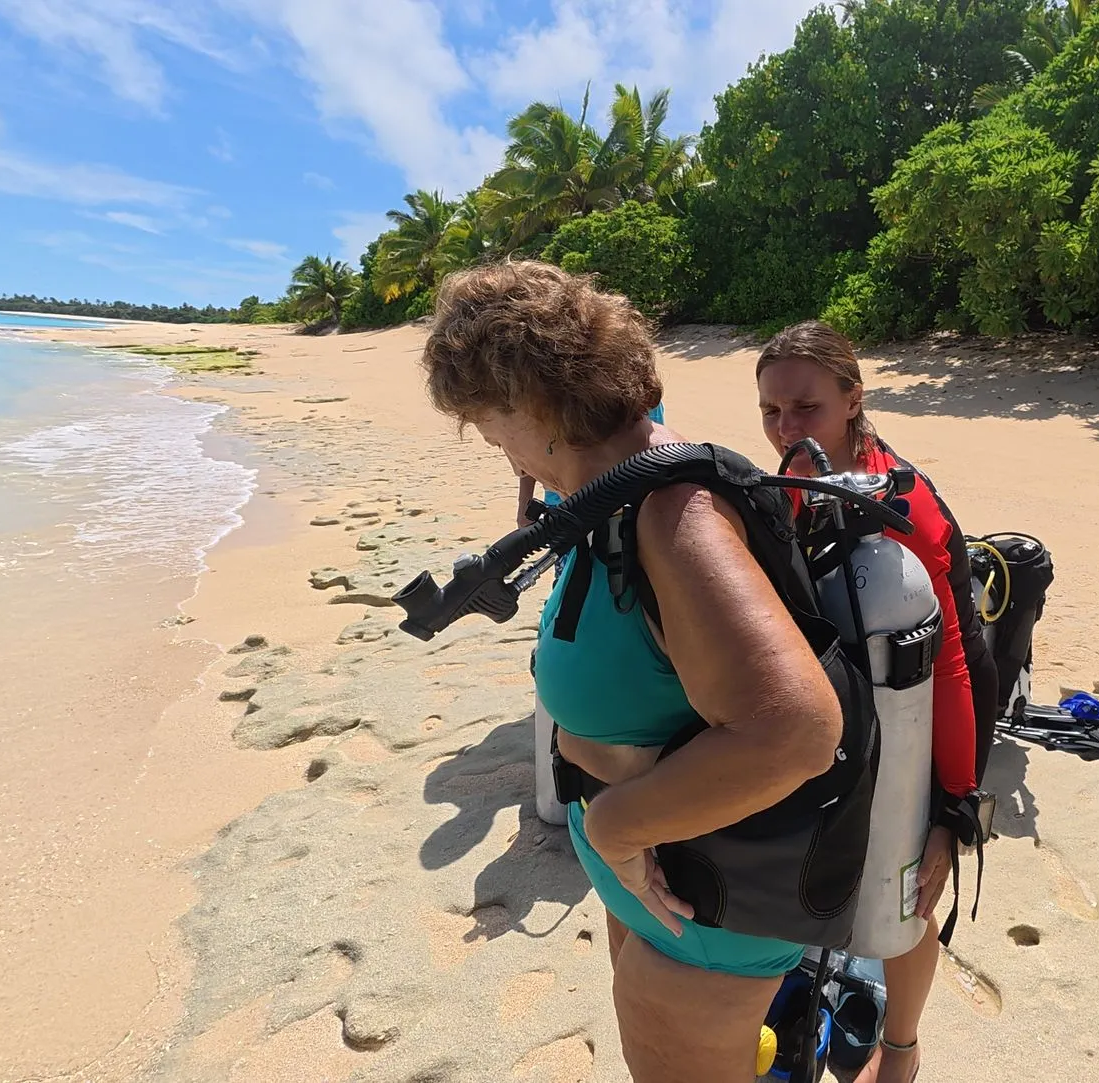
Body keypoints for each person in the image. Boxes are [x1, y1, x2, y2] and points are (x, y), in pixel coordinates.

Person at [423, 261, 844, 1083]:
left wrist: (617, 830)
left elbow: (796, 728)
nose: (490, 442)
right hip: (664, 883)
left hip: (708, 909)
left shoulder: (670, 512)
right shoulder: (609, 497)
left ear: (531, 404)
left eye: (486, 420)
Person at [754, 320, 998, 1083]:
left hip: (929, 704)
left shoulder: (908, 508)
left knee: (908, 902)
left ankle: (901, 1048)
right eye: (770, 411)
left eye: (806, 408)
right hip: (846, 710)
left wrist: (952, 811)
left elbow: (958, 667)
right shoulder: (793, 489)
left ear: (853, 399)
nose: (786, 430)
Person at [517, 403, 665, 527]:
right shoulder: (549, 391)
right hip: (563, 511)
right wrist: (525, 503)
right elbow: (531, 450)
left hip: (628, 513)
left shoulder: (640, 391)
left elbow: (653, 455)